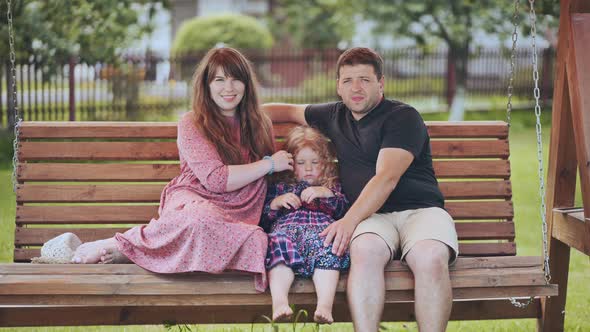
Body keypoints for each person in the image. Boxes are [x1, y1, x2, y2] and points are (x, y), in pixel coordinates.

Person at [262, 47, 459, 331]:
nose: (356, 87)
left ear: (381, 84)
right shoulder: (333, 115)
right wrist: (226, 115)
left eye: (365, 80)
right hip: (372, 217)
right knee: (364, 253)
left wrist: (348, 221)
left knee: (429, 257)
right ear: (338, 87)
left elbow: (386, 178)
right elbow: (287, 110)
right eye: (348, 80)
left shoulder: (402, 117)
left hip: (420, 212)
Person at [70, 47, 294, 292]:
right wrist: (269, 164)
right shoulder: (192, 123)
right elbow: (216, 180)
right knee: (200, 220)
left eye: (235, 79)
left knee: (256, 241)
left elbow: (270, 174)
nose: (228, 88)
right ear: (206, 85)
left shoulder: (261, 124)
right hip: (196, 199)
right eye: (219, 80)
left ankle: (143, 253)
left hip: (241, 209)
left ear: (246, 83)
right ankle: (122, 245)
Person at [262, 126, 349, 324]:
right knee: (276, 247)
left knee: (330, 249)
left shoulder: (330, 185)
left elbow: (344, 209)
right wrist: (276, 203)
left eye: (315, 162)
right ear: (291, 164)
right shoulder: (280, 186)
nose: (308, 168)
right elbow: (264, 219)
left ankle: (325, 306)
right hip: (286, 235)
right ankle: (280, 302)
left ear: (325, 164)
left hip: (320, 234)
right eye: (301, 163)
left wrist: (326, 194)